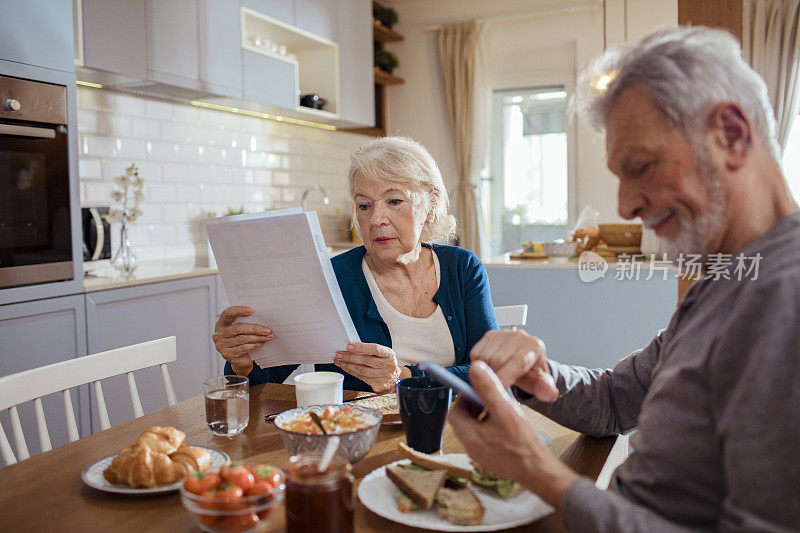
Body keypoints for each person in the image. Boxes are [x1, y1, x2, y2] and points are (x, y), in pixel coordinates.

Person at [449, 26, 800, 532]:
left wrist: (540, 474)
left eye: (641, 166)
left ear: (731, 134)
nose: (625, 206)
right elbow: (617, 398)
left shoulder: (784, 298)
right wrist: (541, 373)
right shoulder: (726, 276)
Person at [213, 136, 498, 392]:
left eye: (394, 201)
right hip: (359, 435)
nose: (376, 219)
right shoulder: (331, 278)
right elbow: (265, 379)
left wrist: (404, 376)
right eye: (364, 205)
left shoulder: (462, 268)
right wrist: (242, 363)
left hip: (454, 431)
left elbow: (490, 371)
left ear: (432, 204)